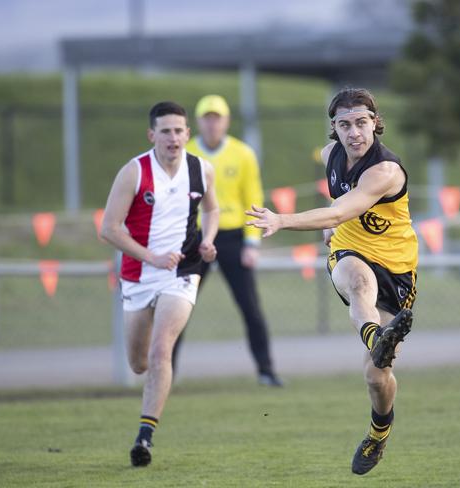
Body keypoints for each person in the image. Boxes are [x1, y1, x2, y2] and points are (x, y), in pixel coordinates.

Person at [246, 87, 418, 475]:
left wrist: (283, 219)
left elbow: (343, 207)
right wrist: (330, 227)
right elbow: (338, 205)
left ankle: (378, 433)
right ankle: (377, 338)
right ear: (334, 128)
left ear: (375, 122)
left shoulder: (385, 171)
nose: (354, 132)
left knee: (377, 378)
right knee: (358, 282)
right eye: (345, 124)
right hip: (349, 252)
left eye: (361, 122)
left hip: (398, 267)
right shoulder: (330, 155)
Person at [100, 101, 220, 467]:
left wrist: (208, 239)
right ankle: (146, 420)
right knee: (138, 363)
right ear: (152, 135)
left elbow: (213, 209)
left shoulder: (201, 169)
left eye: (179, 130)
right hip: (139, 275)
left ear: (188, 133)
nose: (173, 137)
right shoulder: (134, 172)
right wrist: (149, 256)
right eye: (165, 131)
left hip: (183, 271)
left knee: (160, 349)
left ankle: (144, 437)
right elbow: (109, 228)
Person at [171, 94, 283, 387]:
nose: (212, 123)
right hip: (194, 237)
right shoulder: (186, 152)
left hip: (232, 236)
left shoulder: (242, 153)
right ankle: (165, 371)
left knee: (250, 307)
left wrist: (252, 243)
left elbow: (253, 196)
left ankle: (266, 370)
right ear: (197, 123)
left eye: (216, 117)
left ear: (226, 121)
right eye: (207, 118)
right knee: (178, 306)